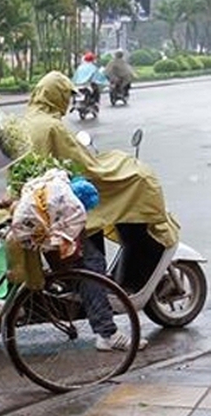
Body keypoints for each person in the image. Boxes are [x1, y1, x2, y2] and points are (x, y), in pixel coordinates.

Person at [21, 71, 180, 350]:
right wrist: (124, 168)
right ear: (56, 95)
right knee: (92, 266)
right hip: (57, 208)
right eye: (66, 96)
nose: (69, 103)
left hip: (34, 203)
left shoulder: (26, 121)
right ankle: (107, 333)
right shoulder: (52, 128)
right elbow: (87, 166)